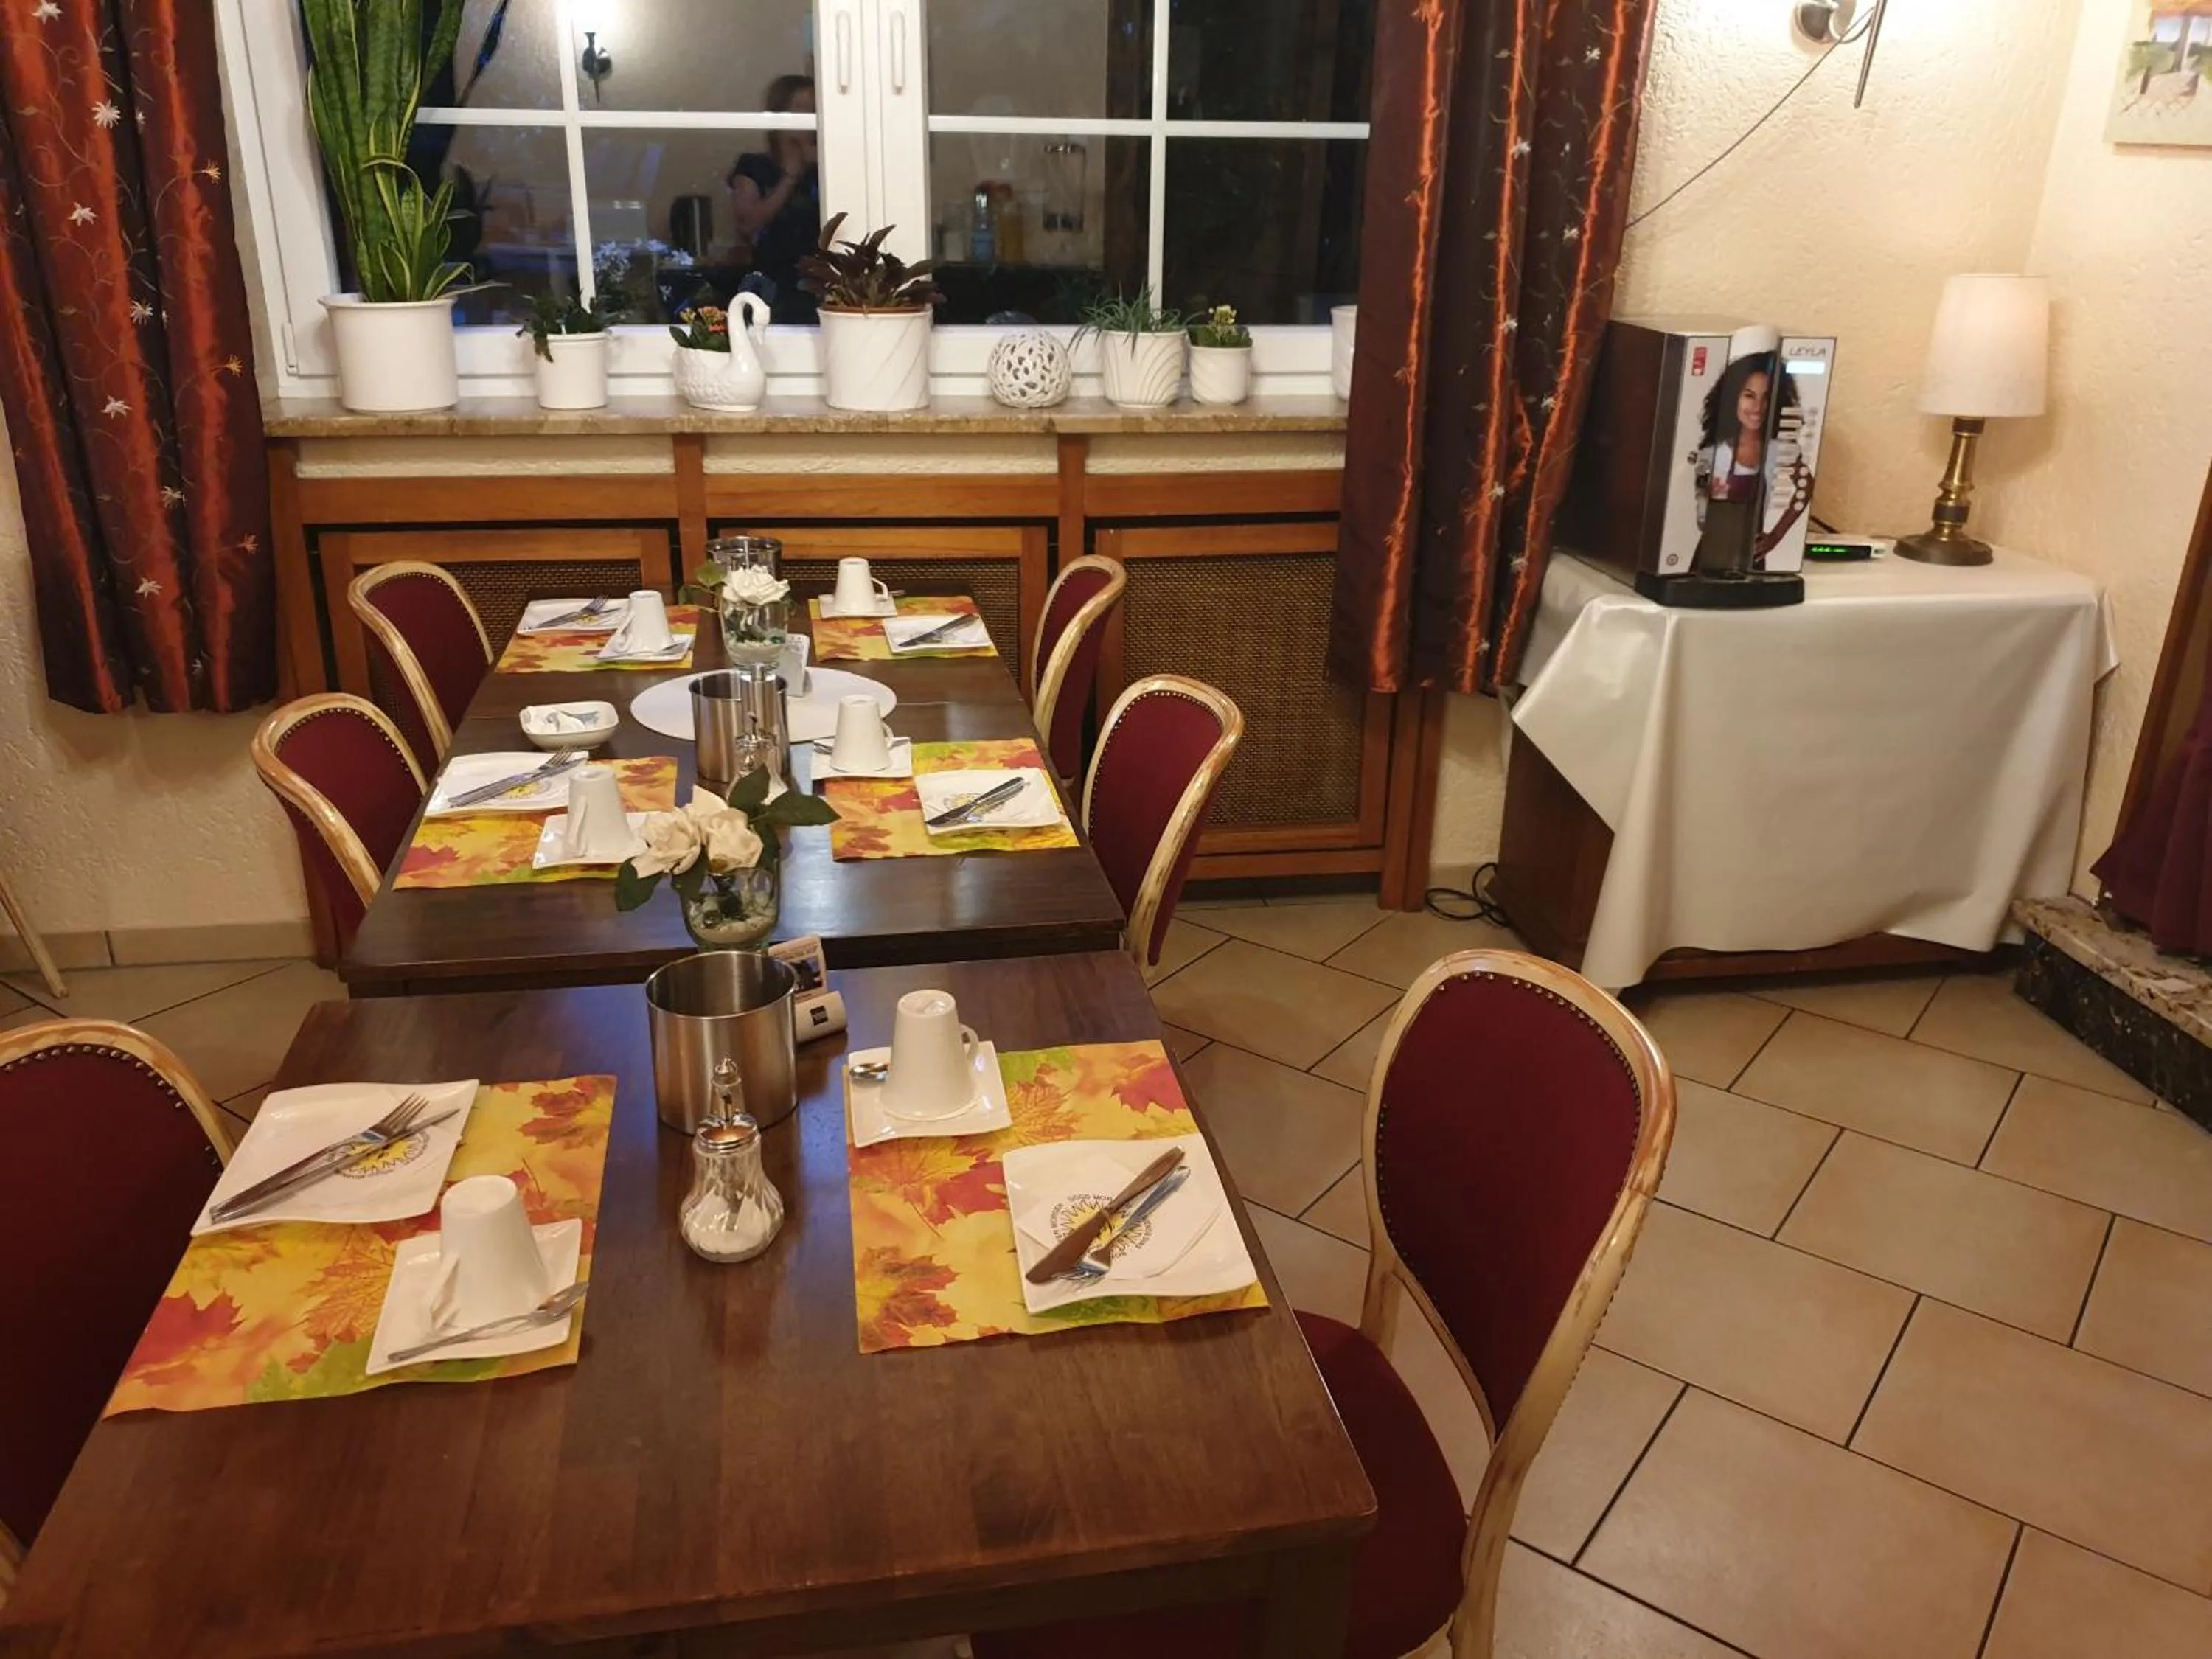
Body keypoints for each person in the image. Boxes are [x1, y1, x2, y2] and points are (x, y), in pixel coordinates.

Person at [728, 74, 821, 324]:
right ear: (780, 114)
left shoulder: (826, 169)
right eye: (800, 108)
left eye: (814, 109)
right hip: (770, 285)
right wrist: (790, 177)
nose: (808, 117)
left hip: (821, 286)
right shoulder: (754, 166)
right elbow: (748, 225)